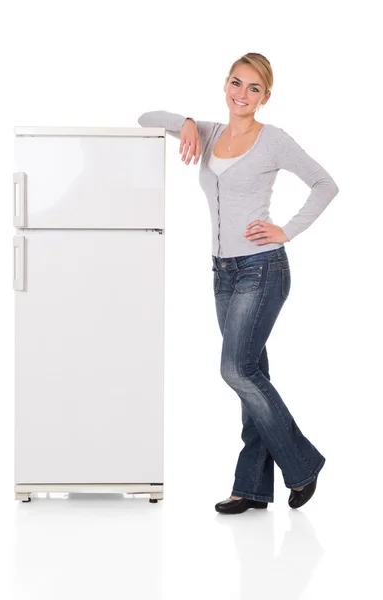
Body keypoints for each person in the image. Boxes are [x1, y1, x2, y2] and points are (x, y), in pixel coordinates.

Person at [137, 52, 339, 514]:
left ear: (265, 97)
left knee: (236, 370)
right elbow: (146, 118)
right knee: (251, 374)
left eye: (253, 88)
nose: (241, 94)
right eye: (235, 82)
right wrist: (187, 122)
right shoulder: (208, 133)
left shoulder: (274, 140)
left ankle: (302, 463)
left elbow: (325, 184)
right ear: (225, 85)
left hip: (262, 268)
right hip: (223, 272)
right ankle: (250, 487)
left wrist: (286, 229)